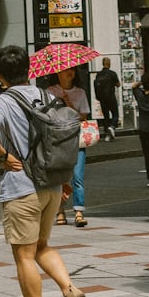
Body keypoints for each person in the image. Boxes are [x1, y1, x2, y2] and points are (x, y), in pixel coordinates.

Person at [0, 45, 86, 297]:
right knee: (41, 246)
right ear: (29, 69)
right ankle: (69, 289)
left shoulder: (3, 100)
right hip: (51, 184)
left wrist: (2, 156)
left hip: (22, 185)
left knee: (24, 256)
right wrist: (63, 178)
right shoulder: (47, 95)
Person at [47, 66, 90, 227]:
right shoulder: (50, 91)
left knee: (77, 177)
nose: (69, 72)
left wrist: (69, 103)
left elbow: (83, 117)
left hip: (76, 139)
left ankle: (79, 212)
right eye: (65, 69)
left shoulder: (80, 93)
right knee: (59, 178)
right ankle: (60, 211)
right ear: (57, 72)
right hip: (57, 141)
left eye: (72, 69)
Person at [132, 71, 149, 187]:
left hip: (144, 128)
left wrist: (141, 82)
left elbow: (134, 86)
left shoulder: (140, 95)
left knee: (148, 154)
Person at [94, 57, 120, 141]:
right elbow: (118, 84)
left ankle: (107, 135)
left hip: (102, 99)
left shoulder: (99, 74)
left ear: (102, 64)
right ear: (109, 63)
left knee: (106, 116)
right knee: (115, 114)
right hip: (111, 97)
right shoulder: (112, 73)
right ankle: (112, 127)